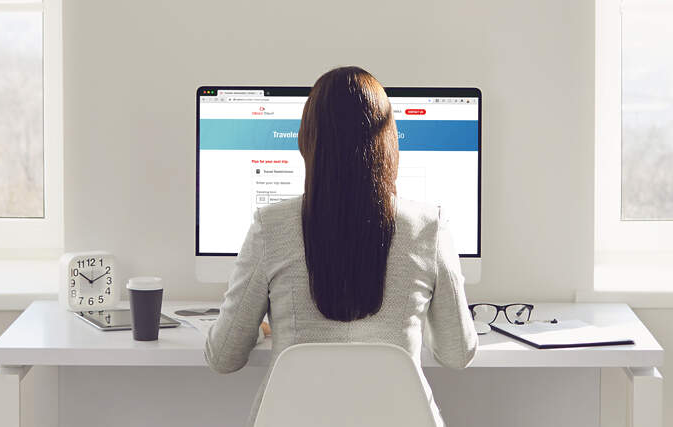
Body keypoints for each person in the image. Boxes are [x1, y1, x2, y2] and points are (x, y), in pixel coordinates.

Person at [204, 66, 477, 425]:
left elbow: (223, 356)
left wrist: (260, 326)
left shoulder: (271, 227)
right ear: (389, 141)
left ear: (307, 141)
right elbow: (457, 353)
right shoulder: (429, 227)